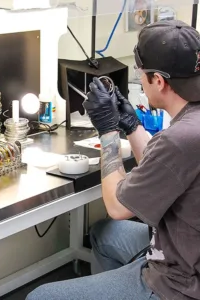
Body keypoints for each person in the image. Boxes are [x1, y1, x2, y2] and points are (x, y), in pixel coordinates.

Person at [26, 20, 200, 300]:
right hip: (182, 248)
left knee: (40, 296)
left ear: (158, 80)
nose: (141, 78)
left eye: (141, 73)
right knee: (105, 234)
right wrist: (130, 125)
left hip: (179, 283)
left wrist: (107, 130)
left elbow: (118, 207)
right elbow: (165, 169)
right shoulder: (190, 125)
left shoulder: (181, 138)